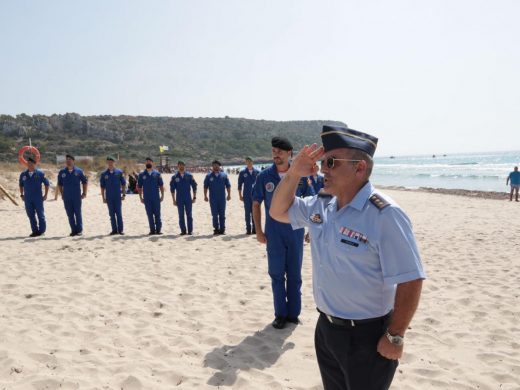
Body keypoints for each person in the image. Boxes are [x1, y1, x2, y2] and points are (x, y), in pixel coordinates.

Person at [269, 125, 426, 390]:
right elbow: (278, 211)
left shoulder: (385, 214)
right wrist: (294, 172)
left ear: (359, 168)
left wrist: (396, 335)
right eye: (322, 162)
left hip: (367, 336)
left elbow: (411, 278)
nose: (323, 169)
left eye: (330, 162)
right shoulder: (322, 204)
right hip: (327, 329)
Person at [252, 137, 310, 330]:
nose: (276, 155)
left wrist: (311, 228)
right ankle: (280, 314)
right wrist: (258, 230)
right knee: (277, 274)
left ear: (289, 154)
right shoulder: (264, 176)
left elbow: (313, 202)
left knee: (294, 274)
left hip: (296, 230)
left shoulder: (301, 175)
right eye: (274, 151)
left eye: (280, 152)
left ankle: (293, 314)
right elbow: (255, 204)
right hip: (274, 232)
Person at [57, 154, 88, 236]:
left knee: (78, 213)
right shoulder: (62, 172)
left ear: (73, 161)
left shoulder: (79, 171)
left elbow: (84, 182)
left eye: (70, 160)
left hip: (76, 196)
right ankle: (73, 230)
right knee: (70, 214)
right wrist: (62, 193)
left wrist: (84, 193)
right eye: (67, 160)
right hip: (66, 196)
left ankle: (79, 230)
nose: (68, 161)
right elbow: (59, 184)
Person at [19, 156, 49, 237]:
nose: (29, 165)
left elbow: (46, 184)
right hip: (27, 198)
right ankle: (34, 231)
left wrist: (45, 195)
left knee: (40, 215)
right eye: (28, 163)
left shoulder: (40, 173)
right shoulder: (23, 174)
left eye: (31, 163)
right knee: (30, 215)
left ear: (35, 164)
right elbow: (21, 185)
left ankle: (41, 231)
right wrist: (22, 194)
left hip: (38, 198)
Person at [100, 156, 126, 235]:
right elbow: (102, 187)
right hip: (109, 197)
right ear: (107, 163)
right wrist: (103, 198)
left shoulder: (119, 172)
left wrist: (124, 194)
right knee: (111, 214)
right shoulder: (104, 174)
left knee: (119, 213)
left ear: (114, 162)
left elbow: (123, 184)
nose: (110, 163)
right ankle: (114, 230)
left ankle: (120, 230)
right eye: (108, 162)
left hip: (117, 196)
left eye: (111, 162)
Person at [137, 157, 165, 235]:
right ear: (145, 164)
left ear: (152, 163)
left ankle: (158, 230)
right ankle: (152, 230)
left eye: (149, 162)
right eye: (147, 162)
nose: (148, 163)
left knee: (157, 214)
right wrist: (140, 197)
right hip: (147, 198)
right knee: (149, 214)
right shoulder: (142, 175)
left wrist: (162, 196)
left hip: (156, 197)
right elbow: (139, 187)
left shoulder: (157, 174)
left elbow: (161, 186)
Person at [204, 160, 231, 235]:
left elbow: (228, 186)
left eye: (217, 165)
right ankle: (216, 228)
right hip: (213, 198)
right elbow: (205, 187)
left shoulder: (224, 175)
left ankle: (222, 229)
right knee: (214, 215)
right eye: (214, 165)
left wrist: (229, 195)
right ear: (212, 166)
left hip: (222, 198)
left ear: (219, 166)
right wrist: (205, 196)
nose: (215, 167)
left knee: (222, 214)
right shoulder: (208, 176)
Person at [170, 160, 198, 235]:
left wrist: (194, 197)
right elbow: (172, 189)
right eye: (179, 165)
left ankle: (190, 231)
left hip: (188, 198)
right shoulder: (174, 177)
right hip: (179, 198)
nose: (181, 166)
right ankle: (183, 231)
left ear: (184, 166)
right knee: (181, 215)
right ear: (178, 166)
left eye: (182, 165)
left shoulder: (189, 176)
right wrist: (174, 200)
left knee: (189, 215)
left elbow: (194, 186)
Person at [238, 157, 260, 234]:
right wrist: (240, 195)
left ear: (252, 162)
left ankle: (254, 229)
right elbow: (240, 185)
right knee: (247, 213)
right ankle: (248, 229)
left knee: (255, 212)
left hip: (255, 195)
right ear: (245, 163)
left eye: (250, 161)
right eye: (247, 162)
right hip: (246, 196)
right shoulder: (242, 172)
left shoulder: (257, 171)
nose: (249, 163)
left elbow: (260, 184)